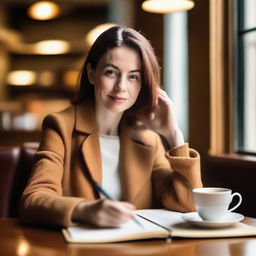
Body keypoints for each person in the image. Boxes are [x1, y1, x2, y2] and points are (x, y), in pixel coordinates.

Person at [19, 26, 202, 228]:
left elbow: (187, 204)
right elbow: (33, 200)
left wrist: (173, 134)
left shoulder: (149, 138)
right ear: (91, 73)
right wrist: (84, 210)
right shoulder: (60, 126)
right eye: (111, 72)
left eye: (133, 76)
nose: (121, 86)